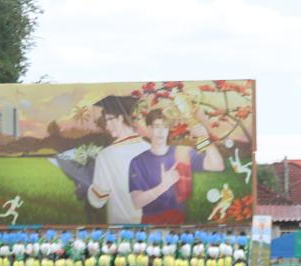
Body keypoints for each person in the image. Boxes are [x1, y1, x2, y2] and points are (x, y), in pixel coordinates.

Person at [127, 108, 222, 226]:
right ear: (149, 129)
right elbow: (137, 202)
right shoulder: (138, 161)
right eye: (157, 126)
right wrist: (164, 186)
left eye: (165, 127)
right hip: (151, 225)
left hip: (180, 224)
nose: (161, 131)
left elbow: (217, 165)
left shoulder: (183, 152)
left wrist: (205, 138)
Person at [86, 95, 150, 227]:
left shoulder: (106, 155)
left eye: (109, 119)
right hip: (150, 226)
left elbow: (98, 200)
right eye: (105, 121)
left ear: (121, 118)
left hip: (120, 226)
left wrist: (88, 186)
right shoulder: (149, 148)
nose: (107, 126)